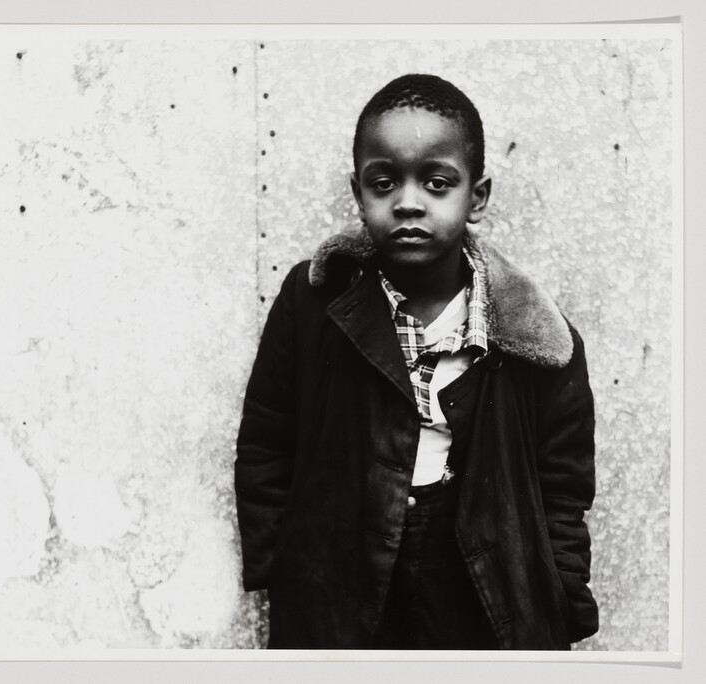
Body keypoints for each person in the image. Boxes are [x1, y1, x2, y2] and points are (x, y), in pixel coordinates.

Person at [234, 74, 598, 650]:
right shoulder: (312, 301)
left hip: (481, 591)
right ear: (359, 194)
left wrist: (561, 597)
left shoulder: (539, 337)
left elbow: (564, 485)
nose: (408, 202)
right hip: (340, 580)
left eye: (436, 182)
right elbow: (266, 441)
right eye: (384, 183)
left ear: (477, 196)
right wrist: (282, 569)